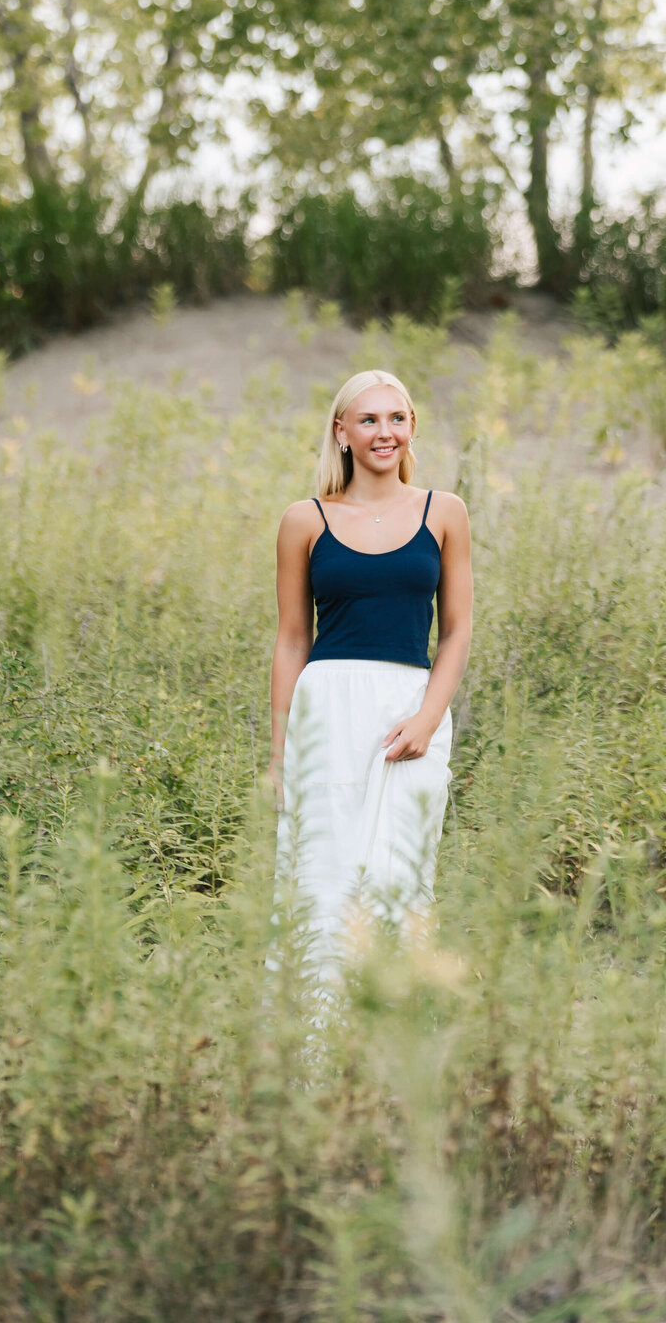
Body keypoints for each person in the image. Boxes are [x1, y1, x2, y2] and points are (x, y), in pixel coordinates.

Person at [270, 367, 473, 971]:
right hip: (326, 710)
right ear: (342, 433)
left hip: (410, 709)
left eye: (397, 418)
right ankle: (315, 1052)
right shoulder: (304, 520)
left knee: (401, 881)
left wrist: (429, 717)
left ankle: (395, 1047)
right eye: (369, 419)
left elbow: (458, 629)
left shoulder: (445, 513)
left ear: (411, 429)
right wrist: (281, 756)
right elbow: (289, 641)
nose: (384, 432)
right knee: (321, 881)